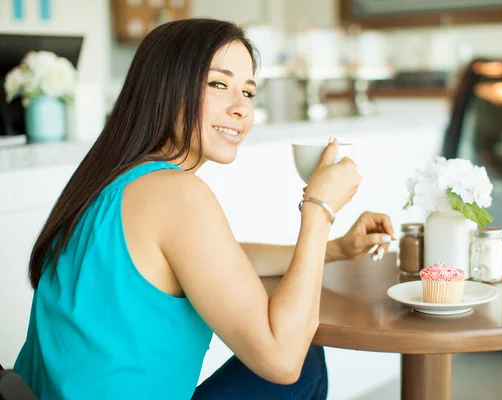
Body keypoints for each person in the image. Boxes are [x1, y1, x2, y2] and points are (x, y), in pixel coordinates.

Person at [13, 18, 396, 400]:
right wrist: (319, 208)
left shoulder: (110, 177)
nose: (240, 109)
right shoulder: (176, 193)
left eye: (248, 92)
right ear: (167, 87)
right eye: (218, 84)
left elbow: (216, 259)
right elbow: (282, 360)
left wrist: (334, 249)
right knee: (302, 360)